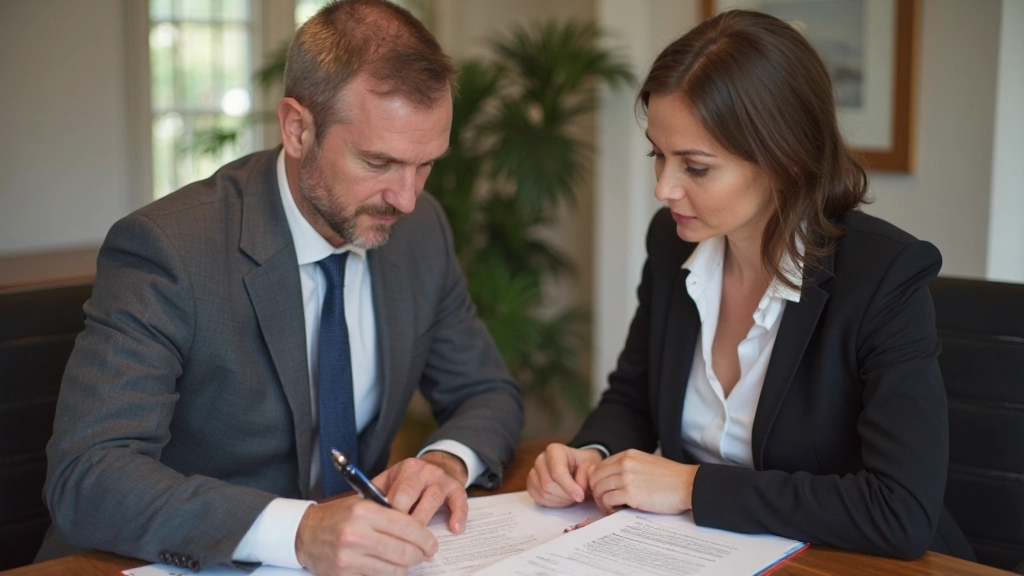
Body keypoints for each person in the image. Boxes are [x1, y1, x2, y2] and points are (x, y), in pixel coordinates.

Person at [38, 1, 523, 573]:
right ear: (297, 128)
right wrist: (300, 530)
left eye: (425, 165)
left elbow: (487, 392)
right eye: (378, 162)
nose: (407, 198)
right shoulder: (169, 248)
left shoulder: (422, 233)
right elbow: (88, 475)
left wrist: (443, 462)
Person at [527, 9, 974, 562]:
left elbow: (898, 511)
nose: (664, 187)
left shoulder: (884, 277)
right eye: (658, 156)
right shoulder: (671, 246)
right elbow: (633, 399)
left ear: (784, 161)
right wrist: (589, 454)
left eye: (695, 167)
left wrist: (692, 487)